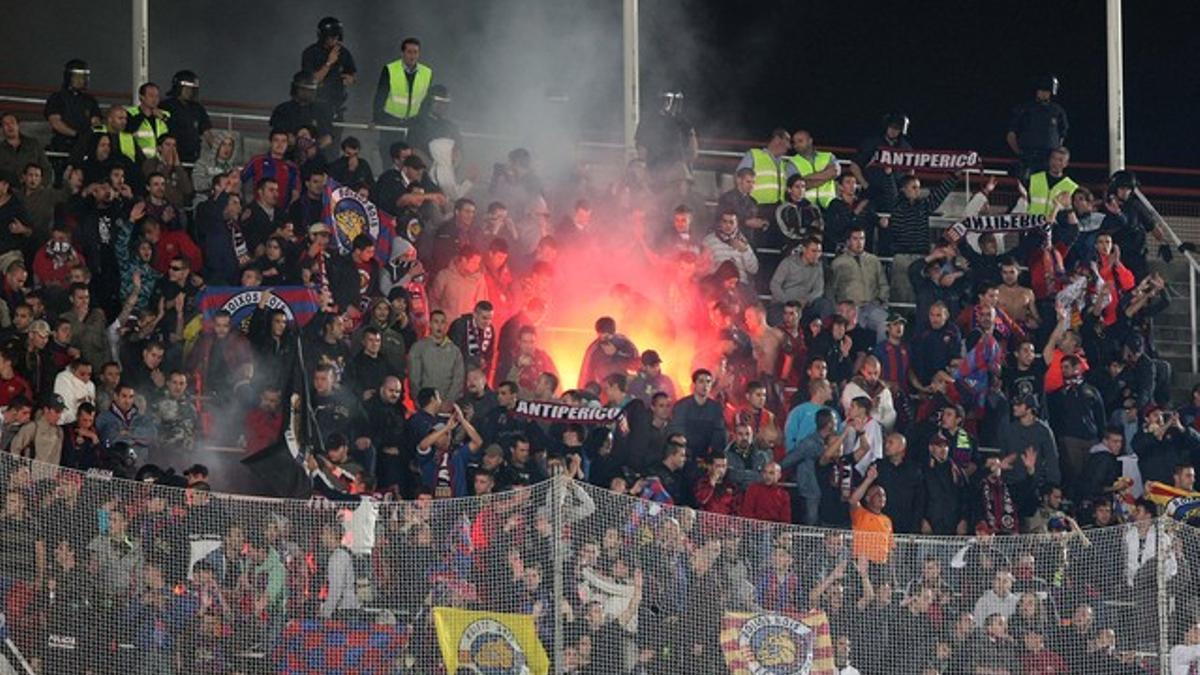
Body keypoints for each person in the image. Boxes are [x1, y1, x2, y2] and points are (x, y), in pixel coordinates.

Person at [883, 172, 959, 305]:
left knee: (921, 296)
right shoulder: (896, 205)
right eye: (913, 187)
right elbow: (890, 192)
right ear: (903, 189)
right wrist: (889, 175)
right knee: (901, 297)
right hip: (902, 257)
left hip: (921, 258)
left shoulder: (924, 206)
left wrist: (954, 177)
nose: (918, 190)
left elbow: (939, 195)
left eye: (918, 187)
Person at [374, 37, 433, 166]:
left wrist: (421, 119)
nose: (412, 56)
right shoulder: (390, 69)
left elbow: (427, 101)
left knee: (411, 163)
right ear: (402, 53)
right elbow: (380, 96)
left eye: (415, 52)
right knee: (389, 161)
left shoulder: (427, 72)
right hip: (391, 123)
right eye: (409, 52)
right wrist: (379, 119)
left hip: (413, 124)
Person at [830, 227, 889, 339]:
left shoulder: (874, 261)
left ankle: (878, 356)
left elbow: (883, 285)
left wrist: (881, 302)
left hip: (871, 306)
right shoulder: (838, 263)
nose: (859, 242)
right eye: (855, 239)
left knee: (885, 324)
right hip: (848, 308)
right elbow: (831, 289)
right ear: (848, 241)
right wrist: (837, 308)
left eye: (862, 238)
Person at [1006, 75, 1069, 178]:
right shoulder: (1024, 109)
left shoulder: (1057, 111)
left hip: (1049, 161)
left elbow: (1062, 135)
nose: (1044, 94)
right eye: (1041, 90)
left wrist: (1056, 155)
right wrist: (1020, 153)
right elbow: (1011, 134)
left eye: (1047, 91)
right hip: (1028, 159)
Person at [849, 112, 912, 212]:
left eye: (897, 128)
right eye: (891, 127)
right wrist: (866, 186)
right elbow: (854, 166)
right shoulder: (872, 143)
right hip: (872, 192)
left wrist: (904, 189)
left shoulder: (905, 148)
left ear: (901, 130)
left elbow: (910, 171)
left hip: (895, 195)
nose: (893, 131)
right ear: (886, 126)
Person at [44, 59, 102, 162]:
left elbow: (96, 122)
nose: (81, 80)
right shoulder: (57, 98)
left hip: (85, 145)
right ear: (68, 77)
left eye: (83, 77)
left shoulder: (90, 100)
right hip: (63, 144)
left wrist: (88, 137)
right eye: (77, 77)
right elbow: (55, 122)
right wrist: (76, 134)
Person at [302, 17, 357, 121]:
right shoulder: (310, 53)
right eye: (331, 37)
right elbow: (312, 81)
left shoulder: (344, 53)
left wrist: (350, 79)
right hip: (314, 106)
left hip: (336, 106)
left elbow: (352, 75)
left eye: (337, 36)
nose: (334, 39)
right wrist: (329, 62)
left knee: (335, 136)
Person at [409, 310, 465, 399]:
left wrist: (449, 402)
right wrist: (419, 400)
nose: (439, 326)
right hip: (425, 404)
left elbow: (458, 380)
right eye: (436, 322)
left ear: (446, 325)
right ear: (430, 324)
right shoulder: (418, 348)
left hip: (447, 405)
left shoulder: (455, 351)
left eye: (442, 322)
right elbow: (414, 379)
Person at [160, 70, 212, 164]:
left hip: (192, 158)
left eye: (192, 89)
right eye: (187, 88)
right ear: (178, 88)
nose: (190, 92)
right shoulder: (165, 106)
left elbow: (207, 132)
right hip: (170, 159)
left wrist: (217, 152)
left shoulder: (198, 108)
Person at [269, 72, 334, 147]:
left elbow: (327, 136)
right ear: (296, 89)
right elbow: (277, 133)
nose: (309, 93)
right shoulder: (283, 109)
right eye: (304, 89)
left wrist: (315, 148)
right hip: (288, 153)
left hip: (314, 153)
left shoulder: (321, 110)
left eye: (311, 90)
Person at [848, 464, 892, 565]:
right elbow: (853, 500)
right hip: (862, 563)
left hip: (881, 566)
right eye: (877, 494)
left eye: (884, 495)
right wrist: (868, 480)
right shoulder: (860, 514)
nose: (882, 497)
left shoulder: (887, 520)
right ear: (868, 498)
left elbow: (890, 549)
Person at [736, 128, 794, 206]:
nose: (789, 146)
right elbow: (739, 179)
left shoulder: (783, 164)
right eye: (787, 140)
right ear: (777, 139)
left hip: (778, 209)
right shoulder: (754, 155)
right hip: (756, 208)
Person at [1025, 146, 1078, 217]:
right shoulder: (1034, 178)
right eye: (1053, 158)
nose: (1055, 163)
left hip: (1056, 225)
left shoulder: (1071, 186)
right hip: (1033, 223)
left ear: (1066, 164)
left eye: (1060, 160)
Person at [126, 82, 171, 160]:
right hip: (139, 161)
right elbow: (128, 129)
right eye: (151, 96)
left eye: (157, 96)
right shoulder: (131, 113)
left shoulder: (165, 114)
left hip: (162, 162)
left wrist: (164, 118)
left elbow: (174, 132)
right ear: (141, 97)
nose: (155, 99)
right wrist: (143, 115)